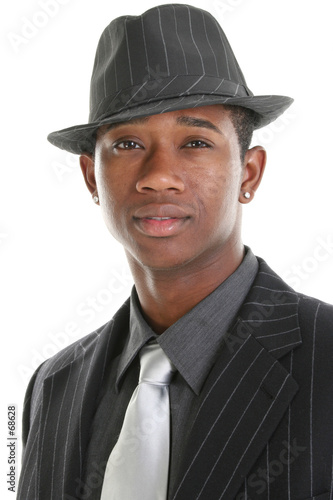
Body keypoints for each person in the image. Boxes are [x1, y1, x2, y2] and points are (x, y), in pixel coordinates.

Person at [17, 4, 333, 499]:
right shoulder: (50, 387)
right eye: (126, 145)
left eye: (195, 142)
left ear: (249, 173)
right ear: (89, 178)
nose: (158, 175)